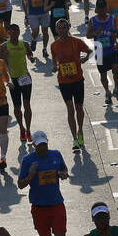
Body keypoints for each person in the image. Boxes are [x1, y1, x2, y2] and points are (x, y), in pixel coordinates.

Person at [17, 133, 71, 236]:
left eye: (44, 144)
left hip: (57, 206)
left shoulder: (56, 154)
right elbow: (20, 185)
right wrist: (31, 175)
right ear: (34, 145)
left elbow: (64, 169)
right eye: (39, 145)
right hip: (39, 208)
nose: (42, 148)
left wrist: (63, 174)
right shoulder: (28, 161)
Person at [50, 19, 92, 148]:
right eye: (59, 28)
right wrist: (54, 67)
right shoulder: (54, 45)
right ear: (56, 30)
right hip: (64, 81)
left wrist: (84, 59)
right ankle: (74, 138)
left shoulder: (76, 42)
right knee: (70, 108)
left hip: (78, 79)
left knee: (79, 107)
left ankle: (80, 130)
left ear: (68, 28)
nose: (62, 30)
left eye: (64, 28)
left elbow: (89, 51)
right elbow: (54, 60)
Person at [87, 0, 118, 101]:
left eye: (103, 8)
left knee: (116, 68)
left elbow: (117, 33)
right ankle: (107, 91)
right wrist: (95, 33)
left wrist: (114, 37)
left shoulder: (112, 18)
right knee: (103, 74)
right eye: (99, 9)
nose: (102, 11)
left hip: (111, 49)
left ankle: (116, 88)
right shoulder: (93, 21)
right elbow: (88, 35)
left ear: (106, 8)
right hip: (99, 51)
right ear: (97, 9)